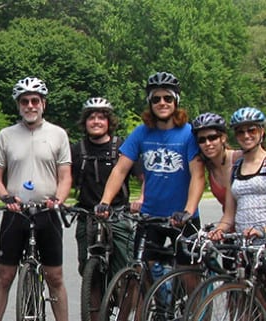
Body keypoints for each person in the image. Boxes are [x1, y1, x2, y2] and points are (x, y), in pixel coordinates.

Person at [96, 72, 204, 295]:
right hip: (150, 216)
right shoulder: (141, 132)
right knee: (140, 273)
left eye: (167, 98)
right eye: (156, 99)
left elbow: (198, 175)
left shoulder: (189, 134)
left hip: (183, 218)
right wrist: (105, 202)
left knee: (189, 276)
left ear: (176, 101)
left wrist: (188, 211)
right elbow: (120, 169)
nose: (162, 103)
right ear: (150, 103)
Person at [0, 77, 72, 321]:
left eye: (35, 100)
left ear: (43, 104)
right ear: (18, 105)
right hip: (16, 212)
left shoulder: (58, 134)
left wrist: (58, 199)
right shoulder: (6, 135)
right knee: (4, 275)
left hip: (47, 212)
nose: (30, 105)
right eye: (25, 101)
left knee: (55, 276)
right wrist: (5, 196)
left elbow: (65, 176)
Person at [70, 97, 139, 321]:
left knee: (125, 273)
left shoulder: (122, 147)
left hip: (117, 213)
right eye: (92, 117)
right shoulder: (77, 149)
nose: (96, 121)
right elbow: (64, 180)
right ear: (85, 122)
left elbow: (144, 177)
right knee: (89, 274)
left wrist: (142, 198)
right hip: (87, 214)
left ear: (109, 121)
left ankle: (122, 312)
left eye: (101, 117)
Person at [209, 107, 266, 242]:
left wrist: (262, 230)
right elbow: (229, 216)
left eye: (252, 130)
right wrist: (217, 231)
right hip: (244, 245)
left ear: (262, 131)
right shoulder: (235, 169)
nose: (246, 136)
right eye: (240, 132)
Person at [191, 112, 240, 209]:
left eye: (212, 138)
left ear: (223, 138)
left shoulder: (240, 158)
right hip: (229, 222)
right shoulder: (208, 168)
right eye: (202, 140)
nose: (207, 143)